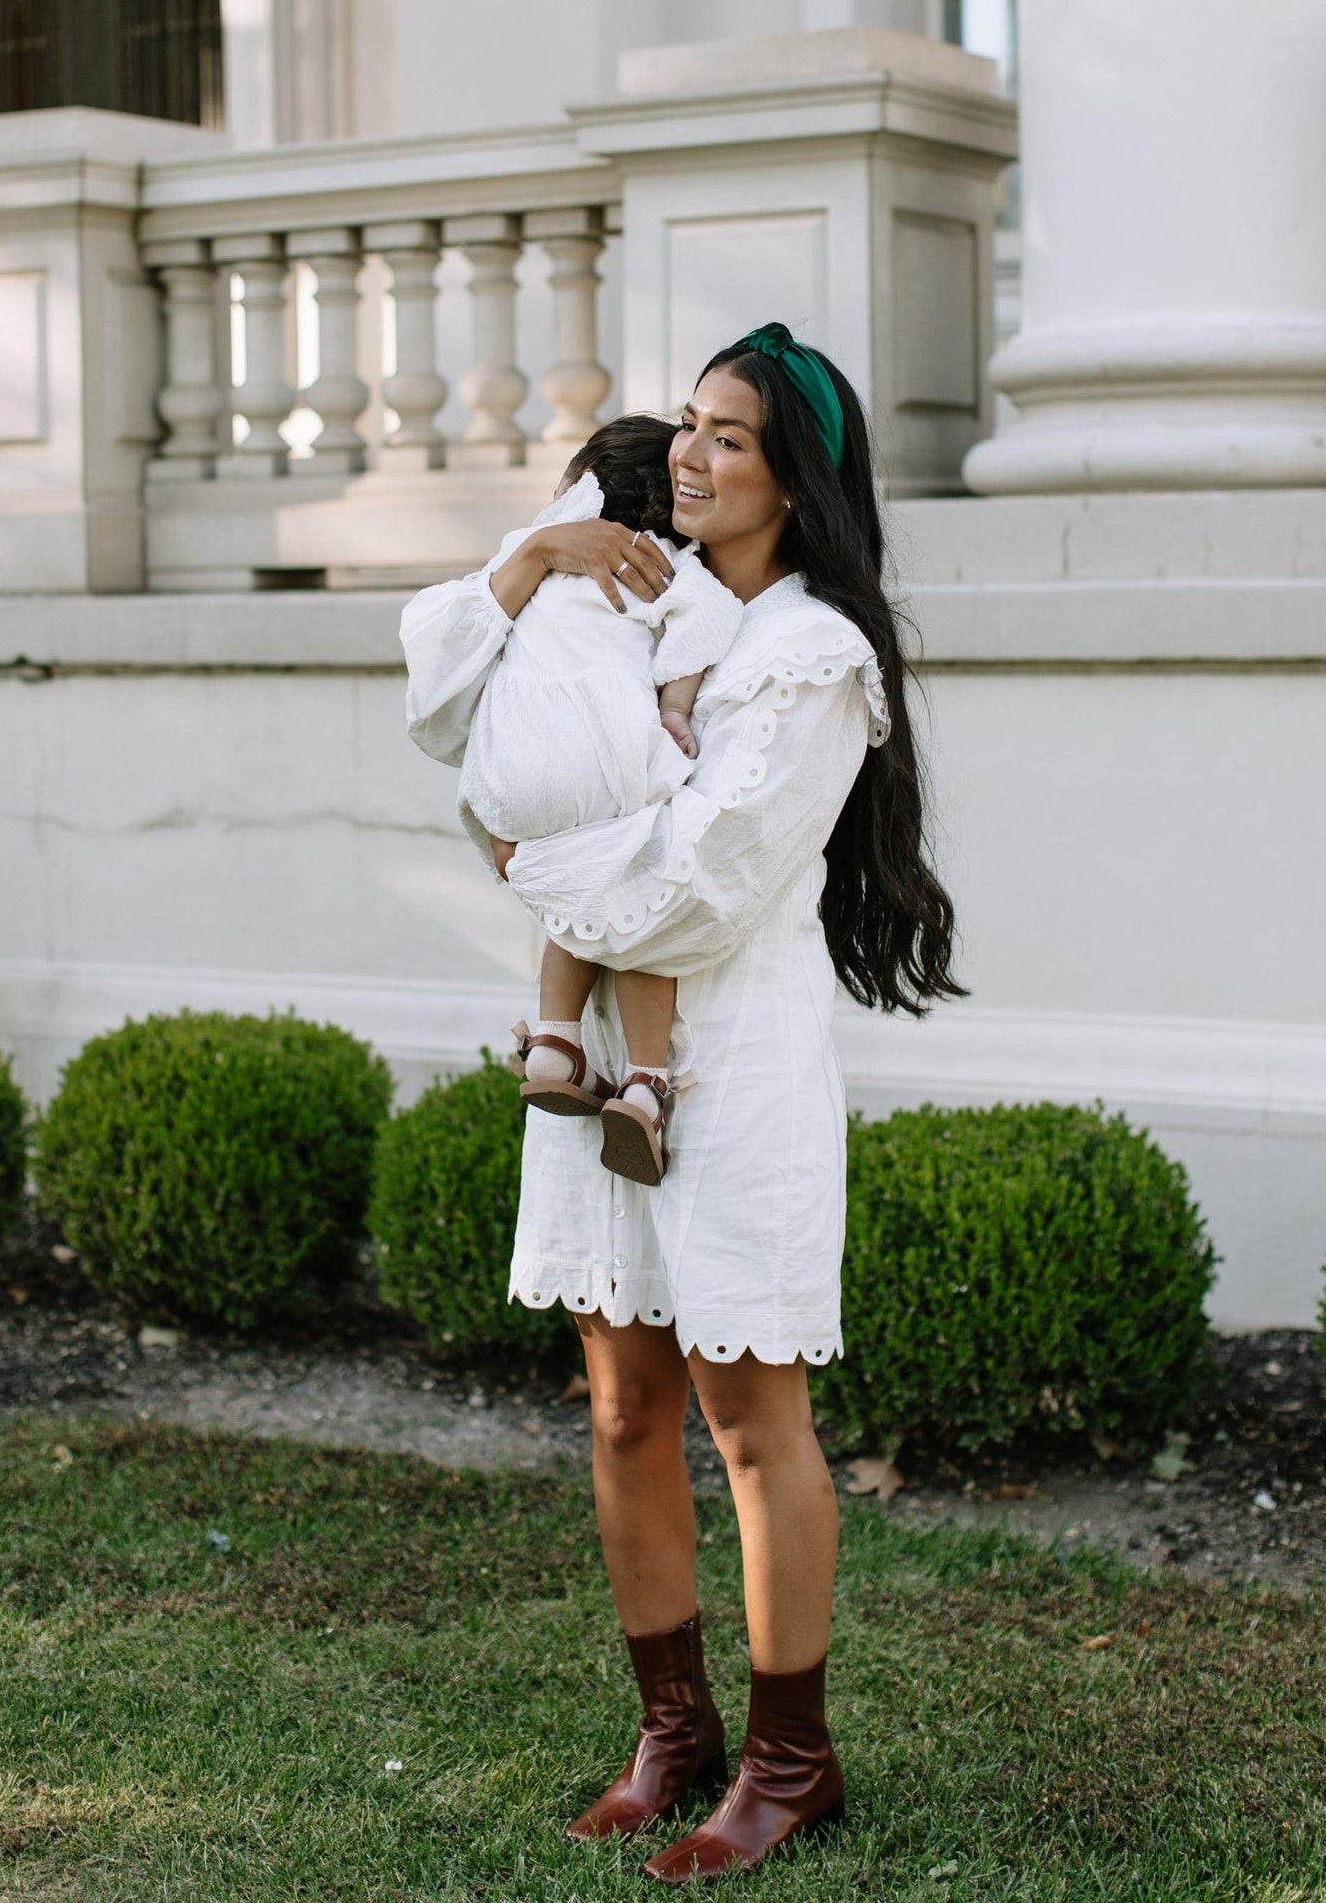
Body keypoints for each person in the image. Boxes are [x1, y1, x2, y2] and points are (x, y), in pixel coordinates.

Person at [401, 322, 962, 1884]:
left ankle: (792, 1760)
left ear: (799, 478)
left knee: (747, 1418)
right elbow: (465, 723)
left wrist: (520, 864)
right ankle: (673, 1732)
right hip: (604, 1084)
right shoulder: (624, 580)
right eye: (692, 430)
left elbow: (704, 885)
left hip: (738, 1065)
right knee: (624, 1401)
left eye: (728, 439)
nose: (690, 458)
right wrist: (524, 574)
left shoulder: (813, 658)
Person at [435, 414, 743, 1184]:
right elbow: (714, 620)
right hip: (601, 763)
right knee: (636, 910)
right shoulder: (665, 563)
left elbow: (471, 634)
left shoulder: (533, 554)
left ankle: (553, 1042)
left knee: (578, 890)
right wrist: (674, 706)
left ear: (580, 490)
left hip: (508, 770)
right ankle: (644, 1085)